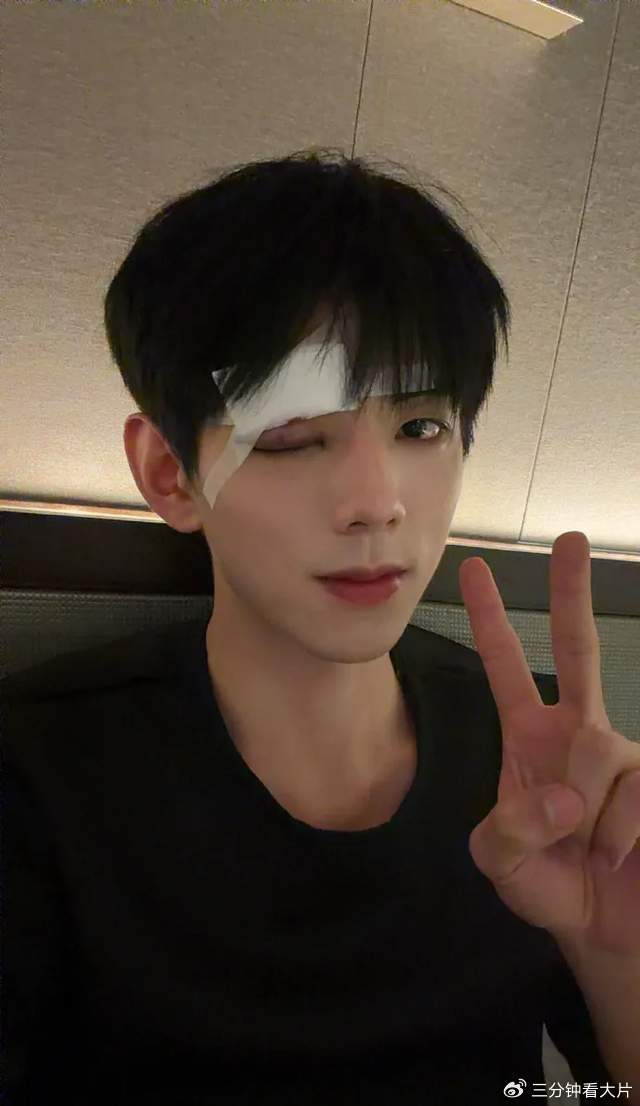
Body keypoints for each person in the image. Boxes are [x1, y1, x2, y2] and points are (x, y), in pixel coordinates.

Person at [2, 148, 613, 1105]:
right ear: (169, 473)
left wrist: (613, 951)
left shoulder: (540, 758)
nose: (377, 502)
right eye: (291, 438)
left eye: (420, 428)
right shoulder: (37, 771)